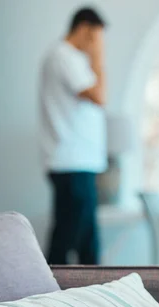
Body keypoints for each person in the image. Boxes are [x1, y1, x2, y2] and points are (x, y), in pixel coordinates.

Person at [40, 7, 107, 265]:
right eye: (97, 37)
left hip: (78, 162)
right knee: (66, 240)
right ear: (84, 29)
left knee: (87, 243)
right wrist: (99, 58)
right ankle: (45, 294)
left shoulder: (72, 59)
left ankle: (95, 296)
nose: (98, 44)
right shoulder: (63, 57)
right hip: (71, 162)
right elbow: (100, 96)